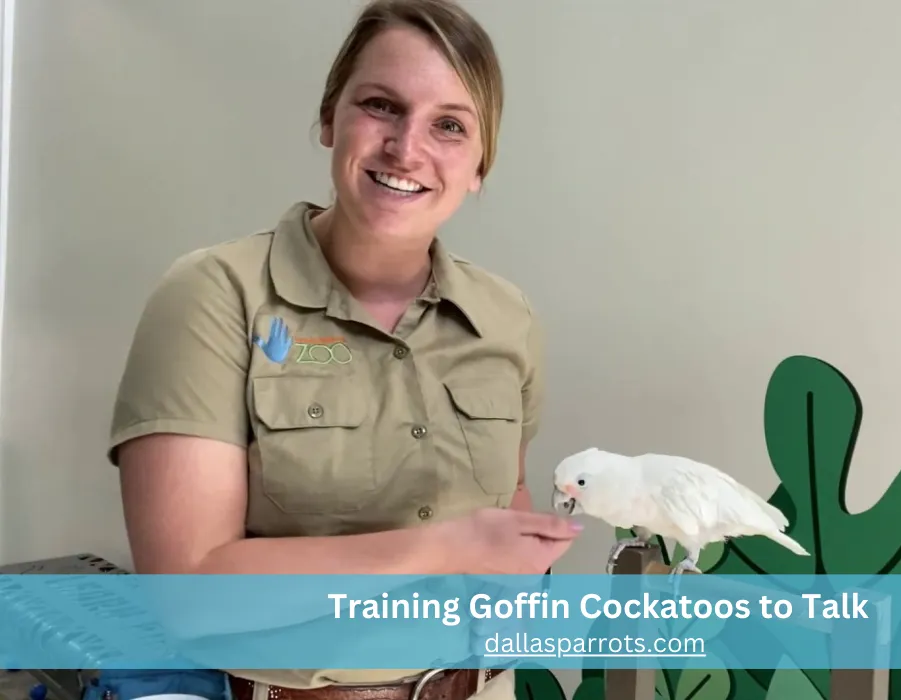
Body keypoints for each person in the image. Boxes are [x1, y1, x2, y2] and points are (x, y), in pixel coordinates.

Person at [100, 1, 583, 699]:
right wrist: (442, 548)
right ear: (330, 119)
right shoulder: (214, 296)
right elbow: (189, 594)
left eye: (449, 125)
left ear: (481, 165)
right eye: (382, 106)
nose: (407, 147)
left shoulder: (506, 317)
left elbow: (506, 499)